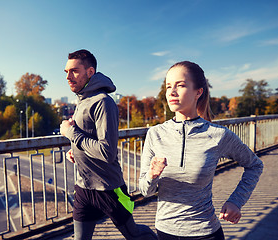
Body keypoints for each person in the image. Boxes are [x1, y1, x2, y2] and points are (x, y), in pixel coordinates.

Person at [139, 61, 263, 240]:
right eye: (168, 87)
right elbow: (145, 191)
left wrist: (236, 202)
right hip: (165, 232)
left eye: (180, 85)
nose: (172, 92)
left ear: (198, 92)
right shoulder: (155, 134)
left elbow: (255, 165)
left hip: (205, 233)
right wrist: (152, 175)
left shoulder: (218, 135)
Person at [60, 49, 157, 240]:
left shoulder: (103, 102)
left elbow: (107, 152)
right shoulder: (82, 100)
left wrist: (71, 133)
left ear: (90, 72)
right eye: (66, 72)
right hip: (83, 187)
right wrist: (76, 151)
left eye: (74, 71)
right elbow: (88, 139)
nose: (68, 76)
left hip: (109, 189)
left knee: (134, 235)